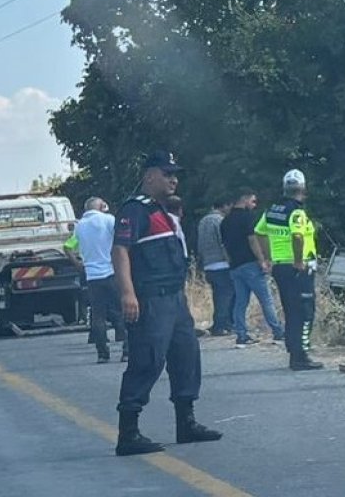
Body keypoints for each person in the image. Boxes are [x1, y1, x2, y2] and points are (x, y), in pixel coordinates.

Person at [112, 150, 222, 456]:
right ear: (150, 177)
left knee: (186, 357)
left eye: (175, 175)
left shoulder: (163, 211)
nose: (173, 180)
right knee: (147, 361)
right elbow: (120, 251)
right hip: (151, 299)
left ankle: (186, 423)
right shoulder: (136, 210)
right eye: (167, 174)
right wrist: (127, 293)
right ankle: (128, 432)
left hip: (175, 299)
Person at [255, 169, 324, 370]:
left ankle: (294, 351)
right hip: (298, 268)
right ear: (303, 189)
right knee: (305, 311)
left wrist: (268, 257)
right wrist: (298, 261)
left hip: (280, 267)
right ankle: (301, 355)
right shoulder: (297, 212)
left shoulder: (272, 210)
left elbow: (259, 232)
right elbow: (297, 236)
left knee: (291, 310)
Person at [64, 197, 127, 363]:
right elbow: (121, 239)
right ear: (101, 206)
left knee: (98, 316)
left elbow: (67, 247)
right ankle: (127, 351)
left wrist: (78, 264)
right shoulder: (108, 220)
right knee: (122, 311)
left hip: (92, 277)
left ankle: (102, 354)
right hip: (111, 273)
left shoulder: (80, 226)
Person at [221, 187, 285, 347]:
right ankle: (278, 332)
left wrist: (230, 262)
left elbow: (224, 246)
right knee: (266, 299)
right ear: (245, 198)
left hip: (235, 266)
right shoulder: (248, 217)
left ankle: (241, 335)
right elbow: (252, 240)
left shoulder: (225, 221)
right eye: (253, 201)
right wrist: (262, 260)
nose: (254, 204)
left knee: (240, 302)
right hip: (250, 264)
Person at [197, 197, 235, 336]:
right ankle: (222, 325)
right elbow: (223, 242)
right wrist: (230, 259)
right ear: (224, 206)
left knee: (218, 295)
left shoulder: (203, 221)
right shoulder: (220, 221)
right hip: (221, 262)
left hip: (208, 264)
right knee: (226, 295)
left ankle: (219, 324)